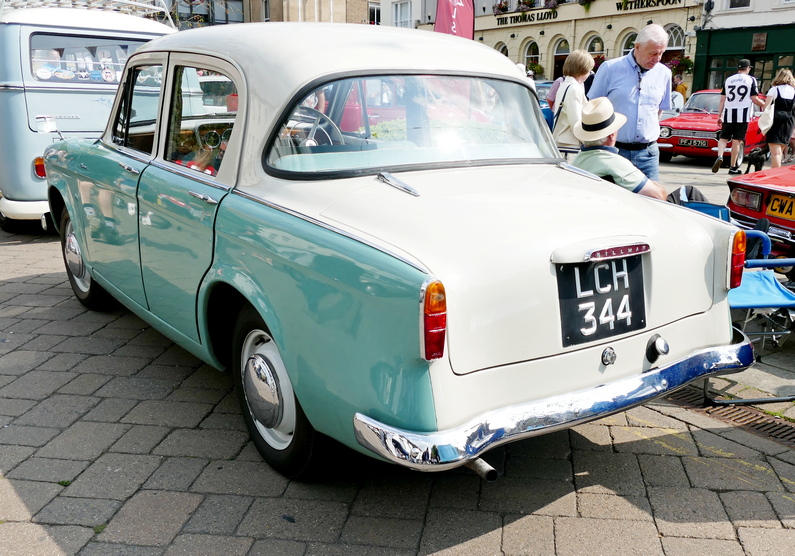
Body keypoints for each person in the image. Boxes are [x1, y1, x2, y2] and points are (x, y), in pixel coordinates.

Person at [587, 24, 672, 181]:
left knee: (650, 203)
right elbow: (594, 107)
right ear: (637, 47)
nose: (657, 59)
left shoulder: (664, 73)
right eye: (653, 53)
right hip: (614, 151)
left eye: (661, 53)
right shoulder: (610, 68)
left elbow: (658, 111)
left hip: (648, 154)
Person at [570, 97, 668, 200]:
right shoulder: (613, 163)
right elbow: (659, 196)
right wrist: (655, 185)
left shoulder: (577, 161)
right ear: (612, 135)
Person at [713, 59, 765, 175]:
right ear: (748, 68)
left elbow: (722, 99)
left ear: (738, 68)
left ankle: (720, 155)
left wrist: (719, 115)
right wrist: (766, 105)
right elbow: (754, 98)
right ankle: (732, 167)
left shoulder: (728, 79)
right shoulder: (751, 80)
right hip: (743, 113)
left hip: (728, 113)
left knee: (723, 138)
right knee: (737, 141)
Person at [552, 50, 595, 152]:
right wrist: (590, 143)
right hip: (569, 146)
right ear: (583, 69)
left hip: (564, 143)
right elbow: (576, 123)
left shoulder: (566, 85)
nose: (590, 73)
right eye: (590, 70)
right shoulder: (574, 89)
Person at [762, 68, 795, 169]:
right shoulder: (793, 91)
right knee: (780, 151)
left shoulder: (774, 89)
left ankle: (774, 177)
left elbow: (766, 106)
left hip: (775, 121)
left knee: (775, 153)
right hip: (789, 122)